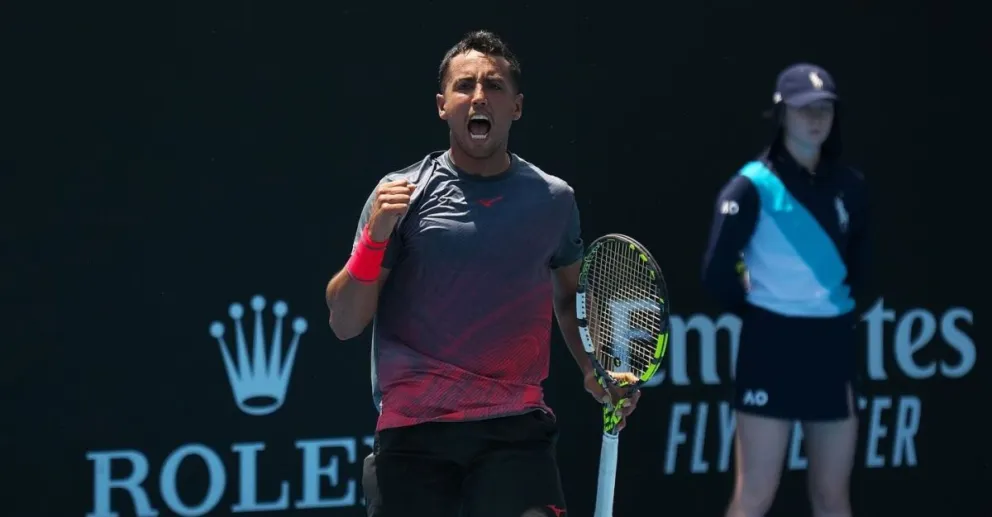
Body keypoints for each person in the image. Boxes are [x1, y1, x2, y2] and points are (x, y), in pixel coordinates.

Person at [324, 30, 639, 517]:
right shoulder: (399, 195)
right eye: (464, 85)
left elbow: (569, 296)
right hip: (414, 434)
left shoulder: (554, 200)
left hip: (515, 429)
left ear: (516, 106)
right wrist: (374, 238)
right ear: (442, 106)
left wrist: (593, 367)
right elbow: (344, 322)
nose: (478, 96)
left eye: (493, 85)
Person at [701, 63, 870, 517]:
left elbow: (864, 271)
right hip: (771, 345)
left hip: (832, 346)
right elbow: (716, 273)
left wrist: (833, 314)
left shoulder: (850, 187)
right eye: (804, 109)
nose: (816, 118)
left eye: (824, 109)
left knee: (832, 496)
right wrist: (762, 314)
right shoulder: (751, 186)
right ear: (782, 114)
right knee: (754, 495)